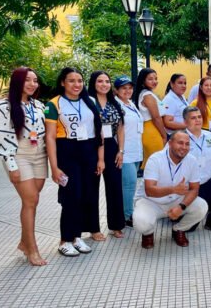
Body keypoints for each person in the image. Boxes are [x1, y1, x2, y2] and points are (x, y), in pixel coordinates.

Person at [0, 67, 48, 265]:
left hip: (39, 154)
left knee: (33, 200)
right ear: (17, 82)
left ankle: (24, 242)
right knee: (30, 200)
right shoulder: (2, 106)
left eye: (35, 80)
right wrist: (11, 164)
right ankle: (32, 250)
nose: (32, 84)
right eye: (27, 80)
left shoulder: (39, 105)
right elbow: (2, 137)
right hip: (18, 154)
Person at [45, 67, 104, 257]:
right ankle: (65, 239)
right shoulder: (54, 104)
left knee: (87, 194)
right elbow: (50, 138)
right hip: (67, 151)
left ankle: (77, 237)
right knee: (71, 196)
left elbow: (99, 131)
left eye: (79, 80)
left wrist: (100, 158)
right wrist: (54, 167)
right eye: (71, 80)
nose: (76, 84)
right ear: (62, 82)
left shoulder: (91, 102)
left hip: (89, 151)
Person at [133, 131, 208, 249]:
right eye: (180, 143)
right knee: (141, 222)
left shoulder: (192, 160)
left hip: (176, 200)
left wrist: (181, 207)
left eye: (187, 144)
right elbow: (149, 190)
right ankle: (148, 233)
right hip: (151, 201)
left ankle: (178, 230)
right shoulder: (155, 159)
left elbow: (194, 189)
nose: (184, 147)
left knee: (202, 206)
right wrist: (173, 190)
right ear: (170, 143)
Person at [88, 71, 126, 239]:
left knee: (115, 186)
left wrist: (121, 150)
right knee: (92, 188)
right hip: (92, 146)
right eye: (100, 81)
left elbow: (120, 128)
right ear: (93, 83)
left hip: (111, 146)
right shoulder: (88, 102)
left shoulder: (114, 103)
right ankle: (94, 229)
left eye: (107, 81)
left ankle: (116, 225)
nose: (104, 84)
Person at [113, 76, 143, 227]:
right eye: (123, 88)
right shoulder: (116, 105)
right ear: (116, 90)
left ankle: (127, 212)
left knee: (131, 184)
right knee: (129, 184)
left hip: (136, 150)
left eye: (130, 88)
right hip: (125, 152)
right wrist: (121, 150)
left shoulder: (131, 103)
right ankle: (127, 216)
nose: (127, 91)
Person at [133, 68, 165, 168]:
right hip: (152, 130)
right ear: (143, 80)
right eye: (150, 79)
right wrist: (164, 135)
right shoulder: (147, 95)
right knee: (156, 162)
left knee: (152, 161)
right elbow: (156, 117)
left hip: (150, 129)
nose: (154, 81)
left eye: (156, 78)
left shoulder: (144, 93)